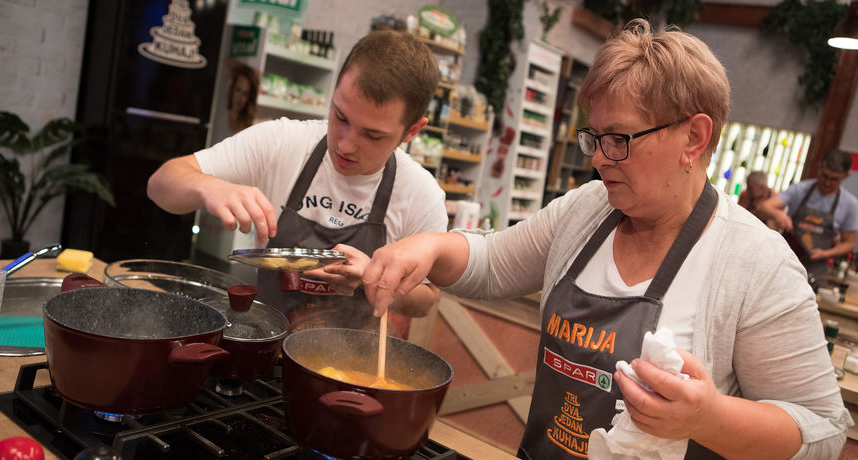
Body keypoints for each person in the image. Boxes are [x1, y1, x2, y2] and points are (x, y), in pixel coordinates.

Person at [363, 19, 849, 459]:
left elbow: (824, 432)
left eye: (619, 139)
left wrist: (709, 418)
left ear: (695, 138)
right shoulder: (587, 209)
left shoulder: (755, 263)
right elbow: (490, 261)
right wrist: (427, 246)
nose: (598, 158)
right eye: (593, 138)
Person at [147, 29, 447, 336]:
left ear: (412, 131)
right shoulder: (282, 142)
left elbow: (426, 300)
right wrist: (209, 186)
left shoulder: (421, 195)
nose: (345, 145)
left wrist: (373, 278)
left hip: (350, 362)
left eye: (372, 135)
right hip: (265, 343)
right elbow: (160, 184)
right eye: (340, 116)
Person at [756, 149, 858, 278]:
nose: (827, 182)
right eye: (825, 176)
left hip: (816, 272)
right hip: (784, 265)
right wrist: (778, 214)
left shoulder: (850, 204)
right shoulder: (800, 190)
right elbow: (763, 207)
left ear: (845, 176)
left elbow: (849, 244)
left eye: (834, 179)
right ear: (820, 167)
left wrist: (826, 254)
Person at [227, 63, 259, 134]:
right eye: (238, 90)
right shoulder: (223, 114)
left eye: (245, 93)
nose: (240, 98)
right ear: (232, 89)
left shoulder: (247, 126)